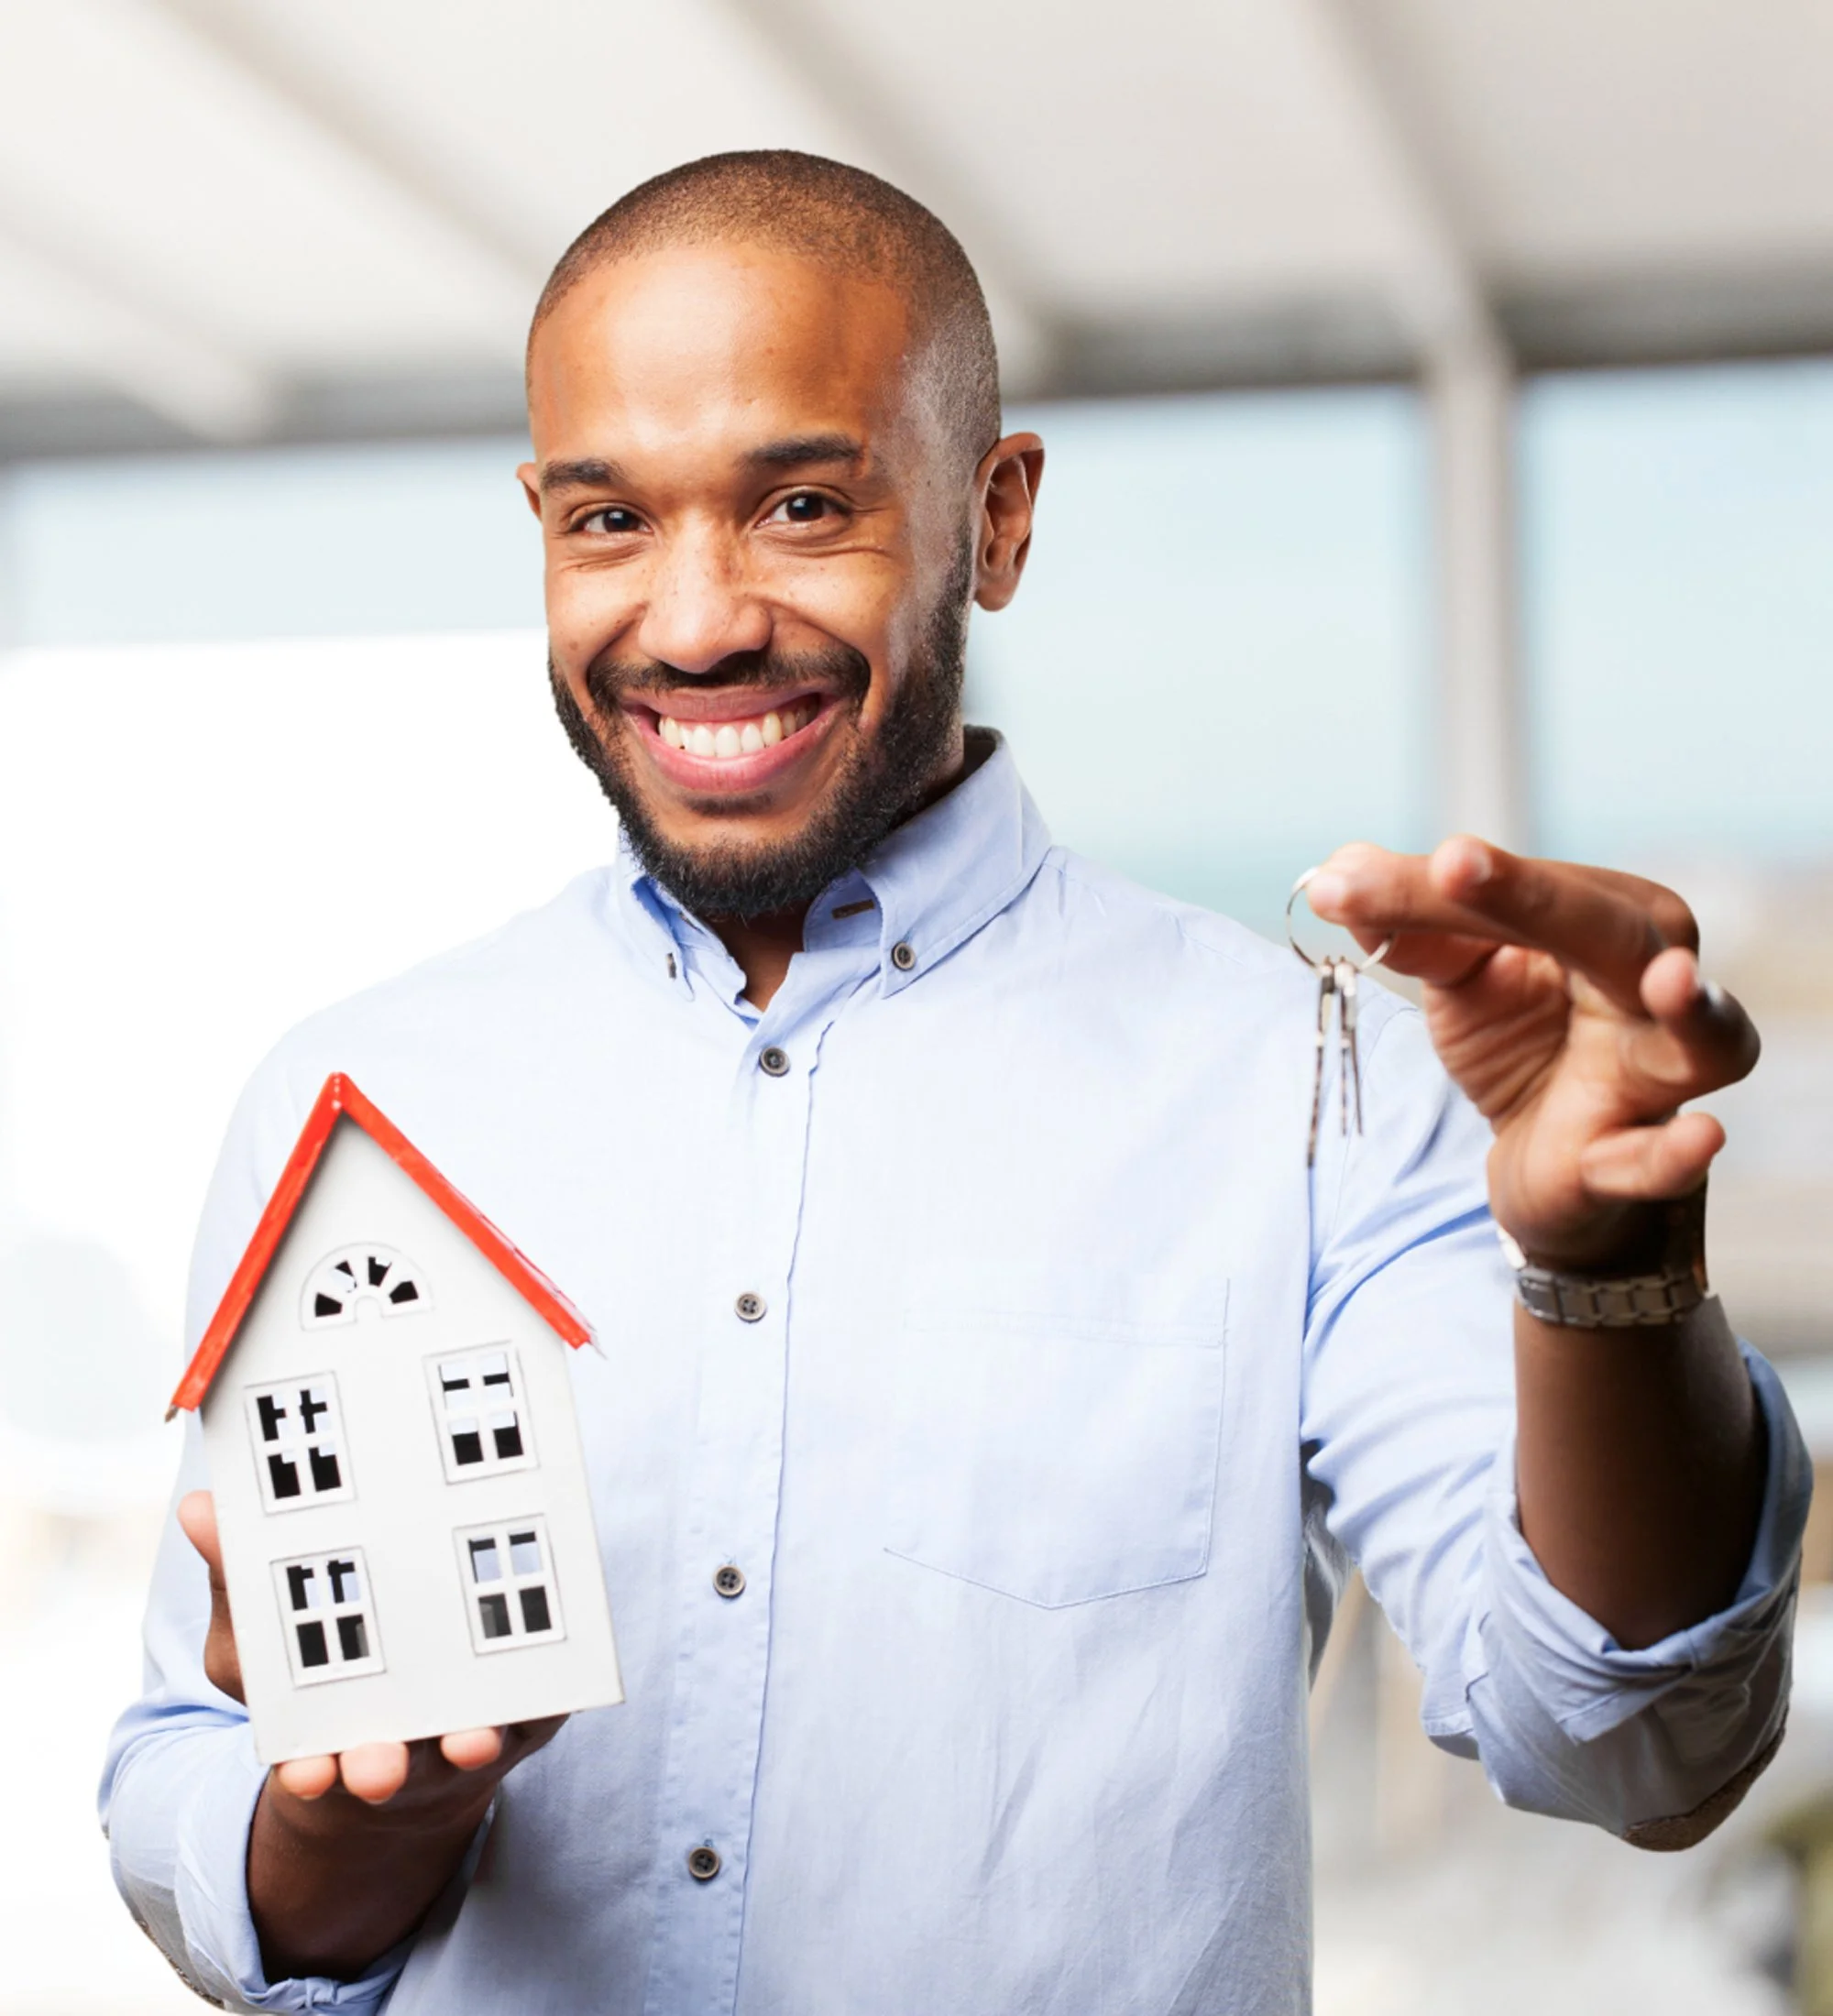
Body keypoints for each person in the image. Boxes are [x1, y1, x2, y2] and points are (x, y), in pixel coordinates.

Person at [103, 151, 1808, 2015]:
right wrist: (348, 1834)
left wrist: (1614, 1271)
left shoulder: (1298, 1082)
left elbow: (1630, 1743)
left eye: (802, 503)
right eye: (608, 521)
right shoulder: (358, 1096)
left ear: (994, 518)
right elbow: (189, 1775)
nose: (691, 623)